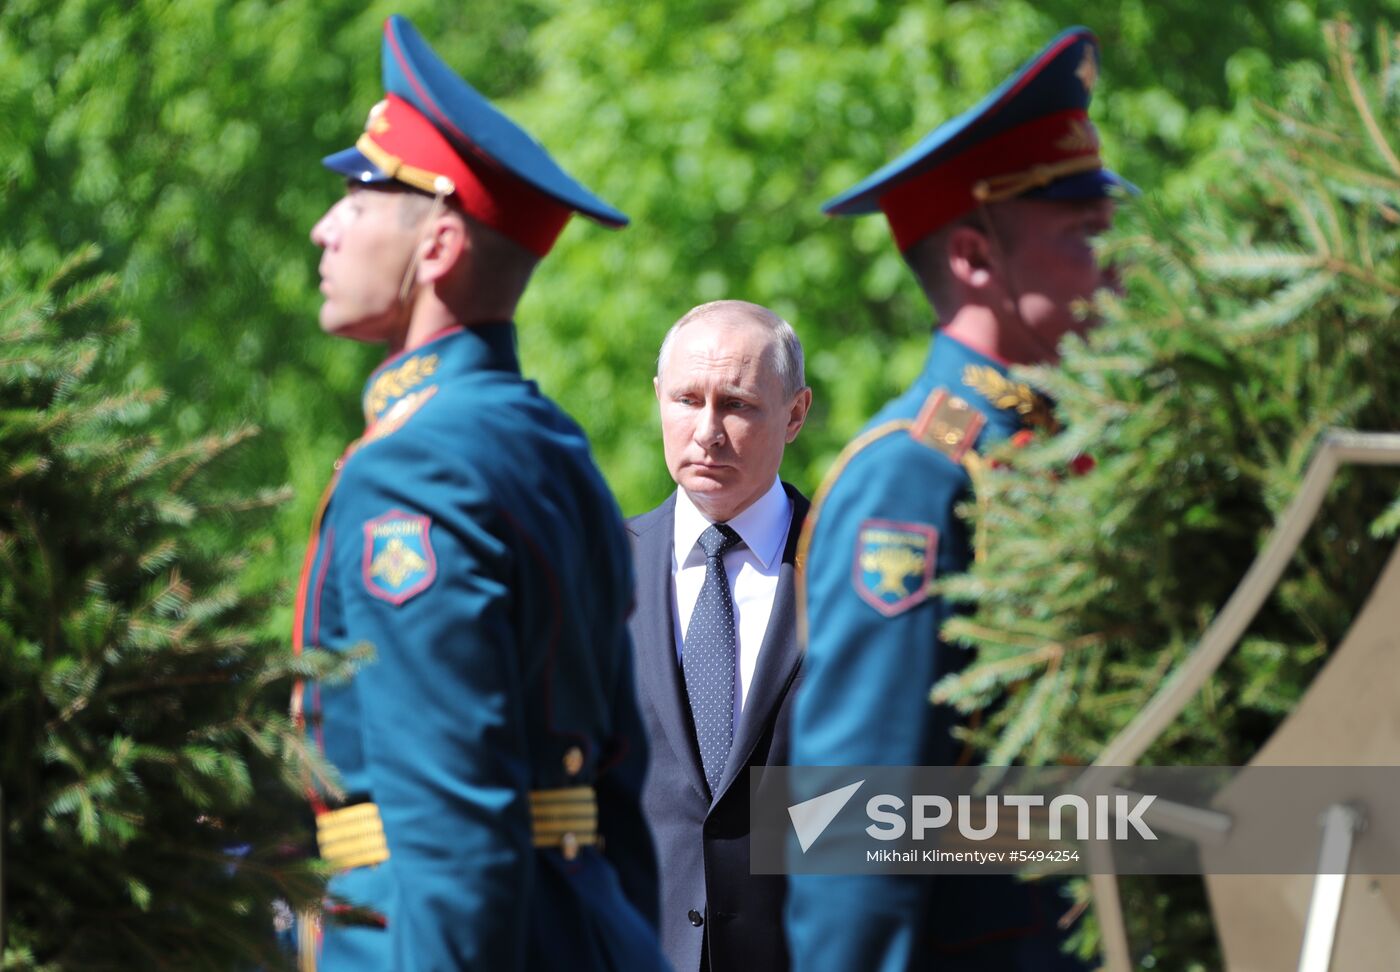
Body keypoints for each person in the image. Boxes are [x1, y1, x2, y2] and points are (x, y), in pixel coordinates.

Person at [290, 15, 667, 971]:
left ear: (440, 246)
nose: (324, 228)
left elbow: (452, 821)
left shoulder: (413, 464)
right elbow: (617, 777)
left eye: (359, 201)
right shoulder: (548, 442)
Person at [786, 27, 1130, 971]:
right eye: (1083, 237)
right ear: (975, 257)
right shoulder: (919, 476)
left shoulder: (1062, 449)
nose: (1117, 267)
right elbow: (856, 826)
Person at [627, 301, 812, 972]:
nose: (706, 431)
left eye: (736, 404)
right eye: (686, 399)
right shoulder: (593, 571)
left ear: (795, 413)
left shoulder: (846, 571)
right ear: (658, 399)